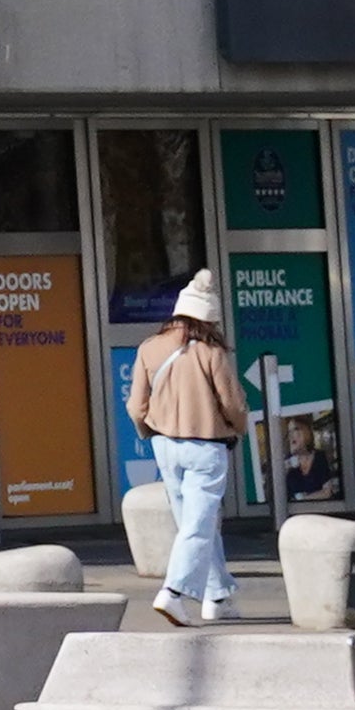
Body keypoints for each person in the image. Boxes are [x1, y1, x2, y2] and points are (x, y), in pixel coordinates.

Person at [129, 269, 247, 628]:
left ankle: (217, 596)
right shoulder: (211, 352)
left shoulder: (149, 347)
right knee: (198, 525)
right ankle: (173, 592)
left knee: (195, 523)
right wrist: (237, 428)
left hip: (164, 446)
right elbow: (233, 404)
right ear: (208, 318)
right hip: (206, 447)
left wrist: (149, 429)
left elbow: (135, 406)